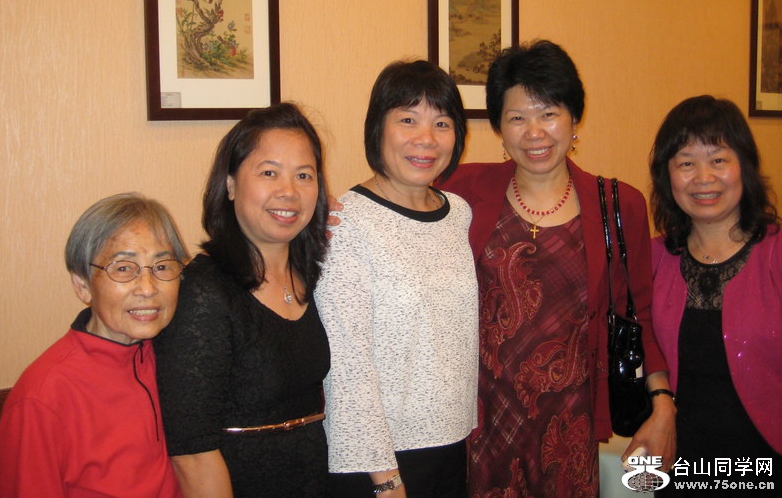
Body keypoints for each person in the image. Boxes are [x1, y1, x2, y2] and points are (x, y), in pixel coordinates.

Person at [439, 40, 676, 497]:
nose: (535, 132)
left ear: (573, 118)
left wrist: (663, 403)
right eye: (517, 118)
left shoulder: (619, 205)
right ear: (499, 127)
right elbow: (401, 210)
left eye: (548, 113)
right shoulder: (461, 190)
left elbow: (638, 317)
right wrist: (334, 214)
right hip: (481, 423)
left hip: (570, 425)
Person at [314, 60, 478, 497]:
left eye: (442, 123)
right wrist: (385, 478)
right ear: (377, 129)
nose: (426, 139)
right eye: (408, 120)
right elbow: (346, 365)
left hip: (452, 441)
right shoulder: (347, 224)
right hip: (379, 459)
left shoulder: (458, 214)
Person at [153, 102, 331, 498]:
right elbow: (192, 452)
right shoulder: (204, 291)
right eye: (269, 172)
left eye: (304, 175)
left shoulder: (317, 276)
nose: (289, 192)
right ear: (231, 184)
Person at [0, 192, 188, 497]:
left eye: (162, 267)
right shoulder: (42, 397)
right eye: (123, 268)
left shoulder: (175, 355)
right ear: (82, 285)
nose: (148, 288)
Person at [649, 95, 781, 493]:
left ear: (745, 166)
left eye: (718, 159)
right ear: (668, 177)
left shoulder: (776, 253)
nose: (703, 178)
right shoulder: (652, 259)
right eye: (686, 163)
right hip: (682, 469)